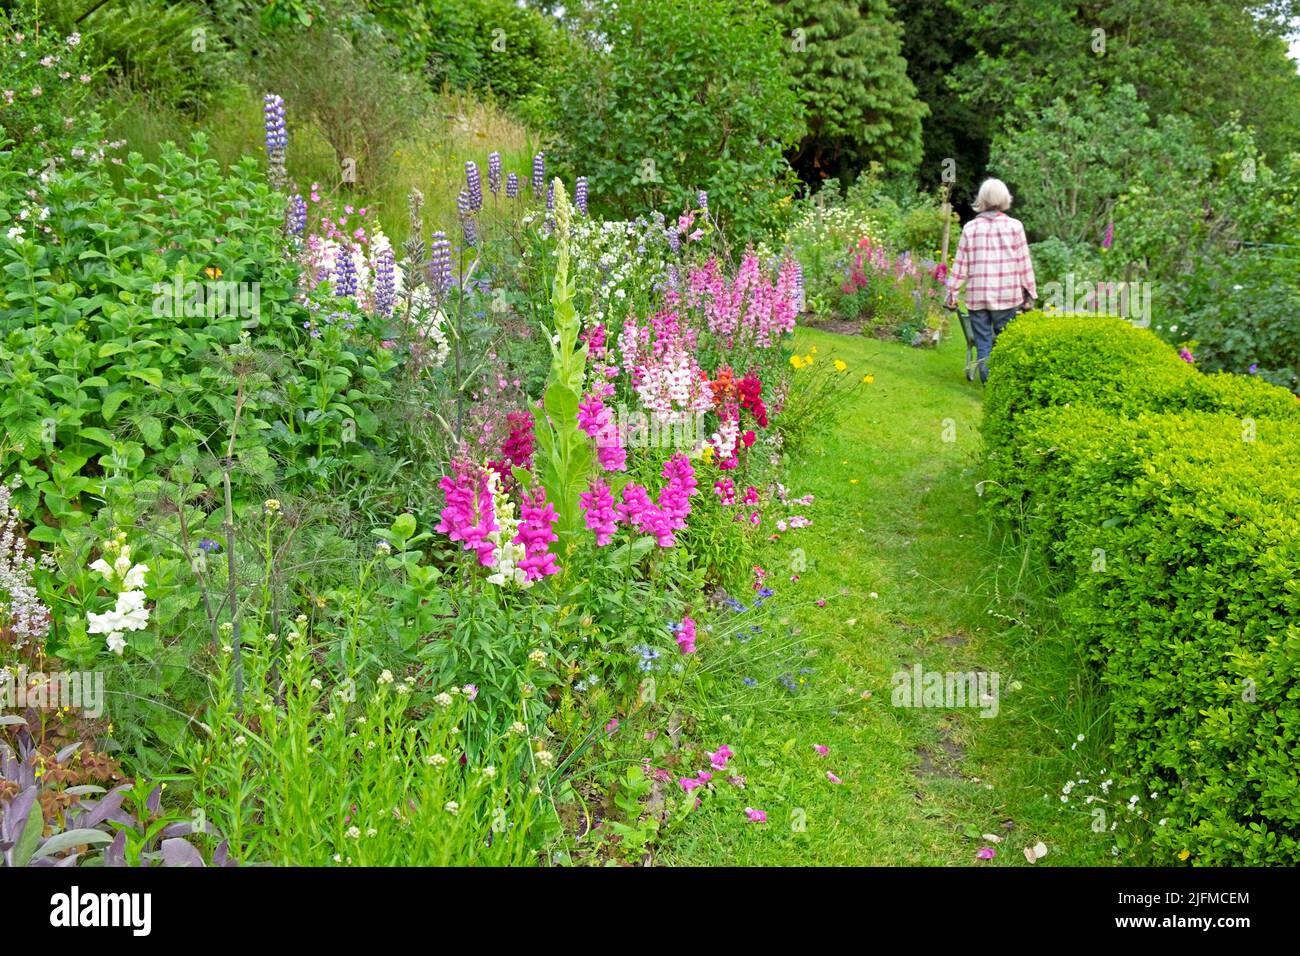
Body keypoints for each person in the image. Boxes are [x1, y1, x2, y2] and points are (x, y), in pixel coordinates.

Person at [945, 178, 1036, 383]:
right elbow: (1024, 263)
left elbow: (961, 264)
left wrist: (952, 293)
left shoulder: (971, 228)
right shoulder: (1015, 227)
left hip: (978, 297)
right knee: (1004, 343)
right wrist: (1030, 294)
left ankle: (989, 385)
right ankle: (1001, 385)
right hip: (1007, 296)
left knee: (984, 344)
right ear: (1004, 198)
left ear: (982, 199)